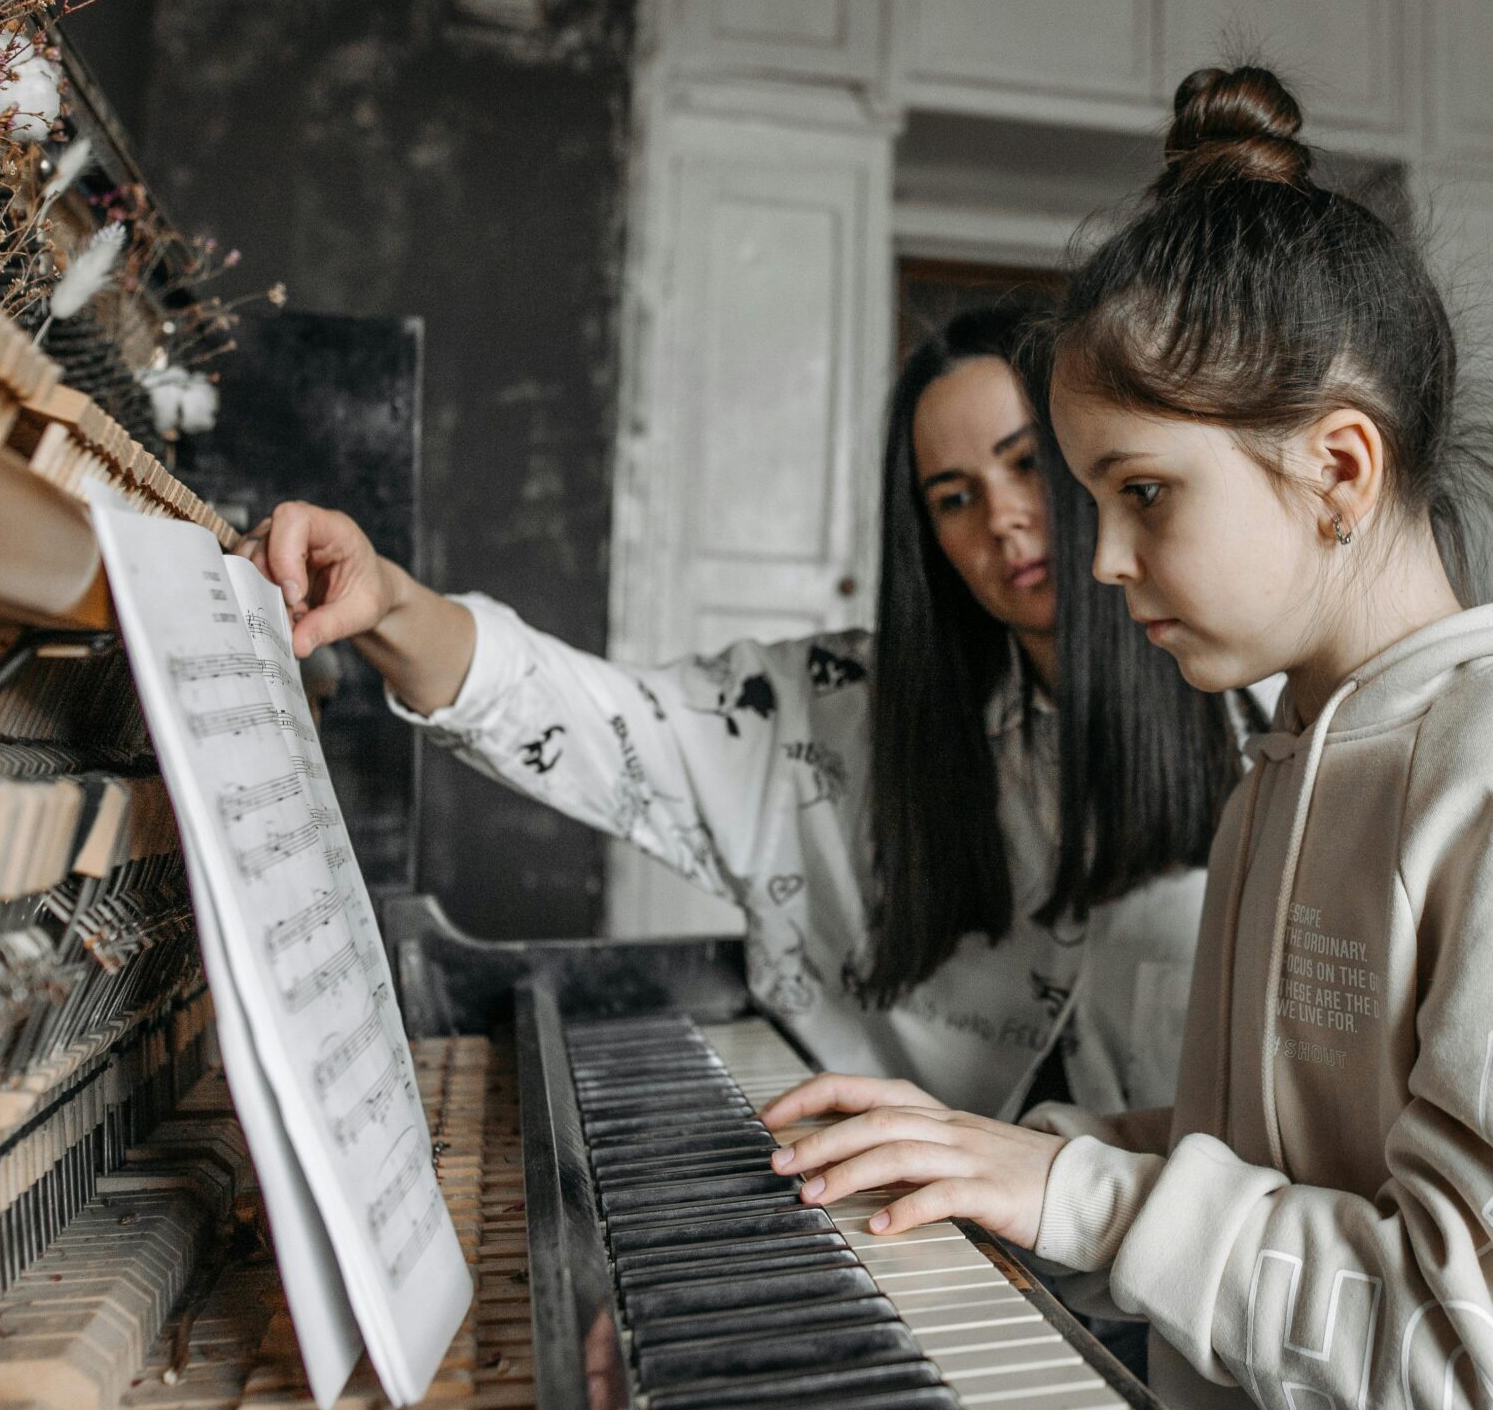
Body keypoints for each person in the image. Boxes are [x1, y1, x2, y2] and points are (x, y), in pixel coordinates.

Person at [762, 67, 1493, 1410]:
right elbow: (1300, 1167)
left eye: (1142, 495)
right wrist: (1024, 1159)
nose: (1100, 567)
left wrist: (1086, 1201)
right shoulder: (1289, 763)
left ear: (1337, 468)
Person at [243, 306, 1244, 1121]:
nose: (1002, 518)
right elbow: (591, 713)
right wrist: (389, 601)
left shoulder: (1260, 712)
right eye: (952, 497)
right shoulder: (837, 710)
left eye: (1026, 463)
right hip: (940, 1250)